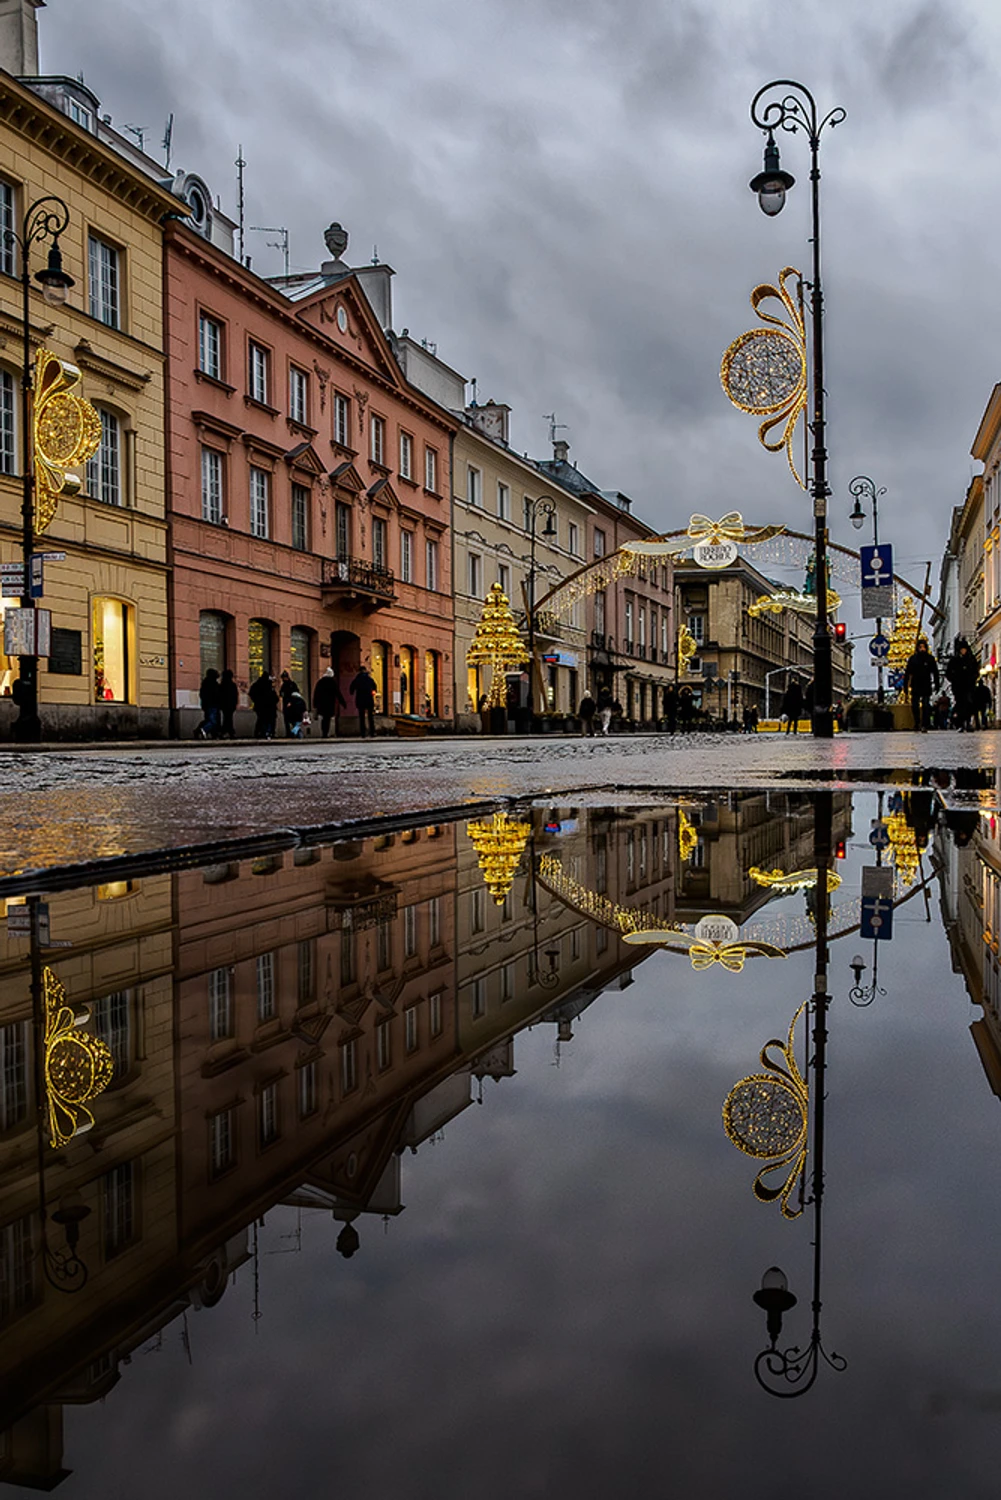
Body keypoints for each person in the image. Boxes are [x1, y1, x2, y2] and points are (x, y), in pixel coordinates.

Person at [904, 638, 940, 732]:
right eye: (920, 647)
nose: (922, 649)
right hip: (915, 684)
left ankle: (924, 724)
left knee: (925, 705)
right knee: (915, 705)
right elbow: (907, 673)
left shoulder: (930, 658)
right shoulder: (913, 659)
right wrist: (906, 687)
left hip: (926, 685)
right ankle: (917, 722)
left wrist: (937, 684)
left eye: (923, 647)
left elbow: (935, 672)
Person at [945, 639, 978, 730]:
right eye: (961, 649)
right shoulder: (954, 660)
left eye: (964, 649)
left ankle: (968, 722)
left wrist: (973, 678)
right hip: (958, 686)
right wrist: (953, 680)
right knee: (960, 704)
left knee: (968, 704)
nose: (963, 651)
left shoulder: (971, 659)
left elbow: (976, 670)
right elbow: (948, 672)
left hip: (969, 685)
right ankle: (960, 723)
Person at [313, 667, 346, 738]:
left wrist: (315, 704)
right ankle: (325, 732)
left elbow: (316, 693)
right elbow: (338, 693)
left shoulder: (320, 682)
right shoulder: (332, 682)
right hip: (329, 704)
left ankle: (323, 732)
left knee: (324, 718)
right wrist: (343, 703)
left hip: (321, 704)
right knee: (327, 719)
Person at [249, 670, 278, 739]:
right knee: (268, 720)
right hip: (269, 706)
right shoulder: (268, 686)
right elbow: (274, 697)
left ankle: (260, 733)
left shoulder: (257, 685)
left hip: (260, 706)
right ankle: (269, 733)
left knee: (261, 720)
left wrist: (256, 701)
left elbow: (251, 694)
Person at [351, 665, 378, 737]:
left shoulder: (357, 679)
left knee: (362, 717)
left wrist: (352, 692)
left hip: (360, 700)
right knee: (370, 717)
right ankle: (372, 732)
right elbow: (375, 687)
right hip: (369, 700)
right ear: (365, 670)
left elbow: (351, 688)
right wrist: (373, 693)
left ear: (359, 671)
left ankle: (363, 733)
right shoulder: (369, 679)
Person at [195, 668, 221, 739]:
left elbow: (202, 694)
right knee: (213, 721)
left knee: (209, 719)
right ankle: (203, 729)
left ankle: (202, 731)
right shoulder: (212, 684)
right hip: (212, 704)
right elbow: (216, 694)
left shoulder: (206, 683)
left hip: (207, 704)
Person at [279, 670, 300, 737]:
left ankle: (295, 732)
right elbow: (281, 693)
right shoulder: (284, 685)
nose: (283, 679)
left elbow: (296, 694)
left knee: (292, 720)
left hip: (292, 705)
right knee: (287, 720)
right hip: (286, 704)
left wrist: (291, 702)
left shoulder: (292, 685)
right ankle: (289, 733)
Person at [218, 668, 239, 739]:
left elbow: (220, 695)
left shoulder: (222, 685)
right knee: (228, 719)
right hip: (230, 705)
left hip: (224, 705)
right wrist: (235, 703)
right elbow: (235, 695)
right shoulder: (232, 685)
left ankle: (226, 732)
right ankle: (229, 732)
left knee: (227, 718)